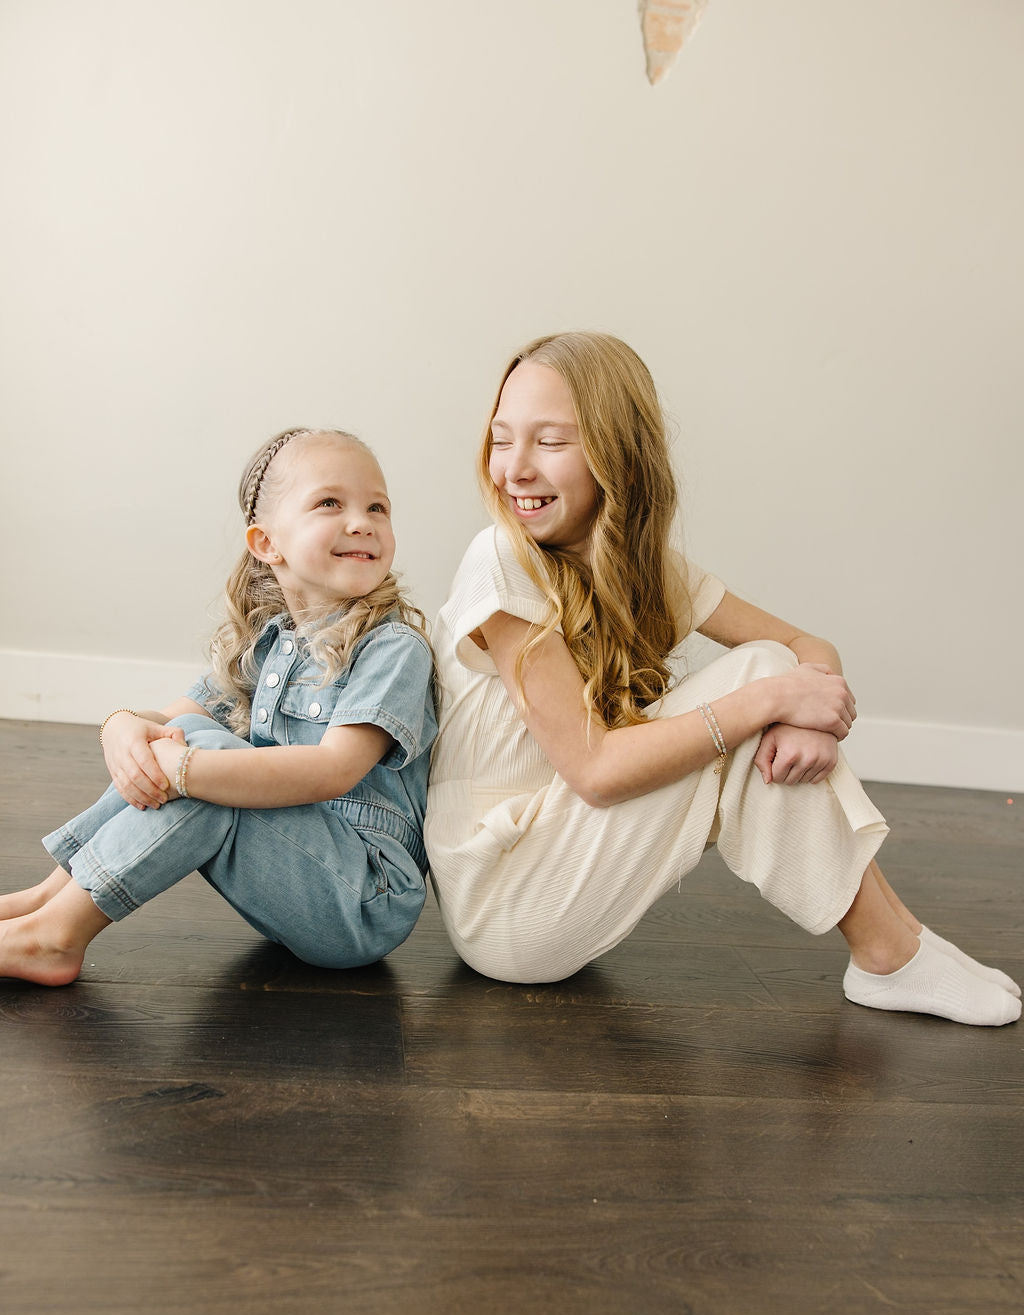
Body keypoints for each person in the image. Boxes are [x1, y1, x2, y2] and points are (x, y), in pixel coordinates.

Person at [425, 332, 1020, 1026]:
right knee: (764, 679)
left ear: (618, 453)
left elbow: (806, 645)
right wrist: (775, 700)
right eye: (501, 440)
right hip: (506, 905)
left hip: (559, 861)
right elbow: (595, 771)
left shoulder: (641, 569)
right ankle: (889, 954)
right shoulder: (500, 557)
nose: (514, 469)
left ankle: (899, 942)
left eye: (550, 441)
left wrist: (810, 723)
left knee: (772, 669)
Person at [0, 427, 436, 985]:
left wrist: (186, 770)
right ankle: (48, 900)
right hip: (299, 875)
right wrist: (121, 727)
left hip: (364, 898)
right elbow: (170, 719)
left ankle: (55, 938)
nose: (362, 522)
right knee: (187, 730)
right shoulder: (273, 644)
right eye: (330, 502)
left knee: (201, 760)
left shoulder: (393, 647)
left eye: (378, 507)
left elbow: (334, 769)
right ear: (267, 544)